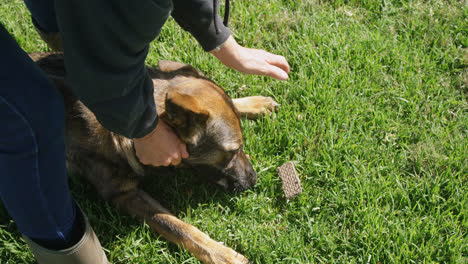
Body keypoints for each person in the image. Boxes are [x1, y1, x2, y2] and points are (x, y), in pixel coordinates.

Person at [0, 0, 290, 263]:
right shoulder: (91, 134)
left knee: (75, 28)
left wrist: (222, 40)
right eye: (230, 154)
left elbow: (162, 83)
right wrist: (146, 131)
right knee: (33, 112)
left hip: (99, 47)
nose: (240, 165)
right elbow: (123, 195)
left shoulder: (163, 88)